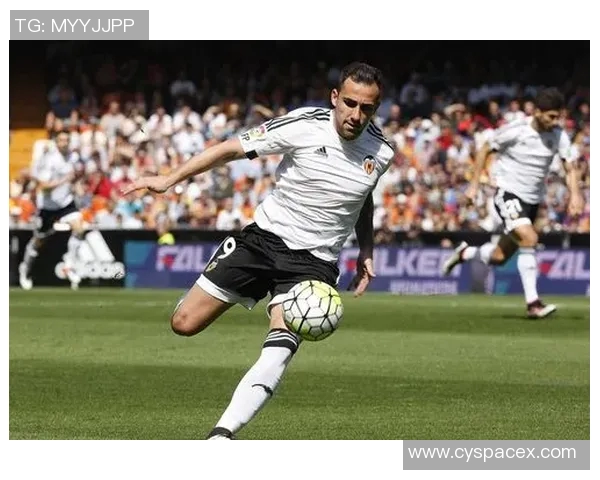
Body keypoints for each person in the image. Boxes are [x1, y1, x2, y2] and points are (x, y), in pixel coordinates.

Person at [121, 62, 395, 439]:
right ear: (335, 97)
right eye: (350, 103)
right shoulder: (303, 124)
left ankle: (222, 435)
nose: (356, 115)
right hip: (263, 240)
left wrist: (366, 249)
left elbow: (363, 197)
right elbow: (230, 149)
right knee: (183, 323)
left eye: (367, 108)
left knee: (279, 349)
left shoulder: (381, 152)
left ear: (376, 108)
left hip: (313, 265)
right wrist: (170, 179)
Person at [443, 88, 584, 318]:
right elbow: (486, 148)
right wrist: (474, 185)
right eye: (551, 116)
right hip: (508, 193)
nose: (555, 121)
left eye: (558, 117)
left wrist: (575, 194)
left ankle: (466, 253)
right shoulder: (516, 130)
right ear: (537, 112)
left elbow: (569, 166)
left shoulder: (559, 135)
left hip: (532, 201)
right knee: (529, 238)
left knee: (499, 257)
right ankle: (533, 304)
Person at [19, 130, 84, 290]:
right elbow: (44, 187)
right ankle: (25, 269)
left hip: (66, 203)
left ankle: (69, 265)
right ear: (56, 142)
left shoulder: (73, 157)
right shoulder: (50, 160)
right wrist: (64, 180)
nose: (64, 143)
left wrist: (76, 181)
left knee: (79, 228)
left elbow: (77, 174)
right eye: (61, 140)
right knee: (39, 241)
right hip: (48, 206)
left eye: (67, 140)